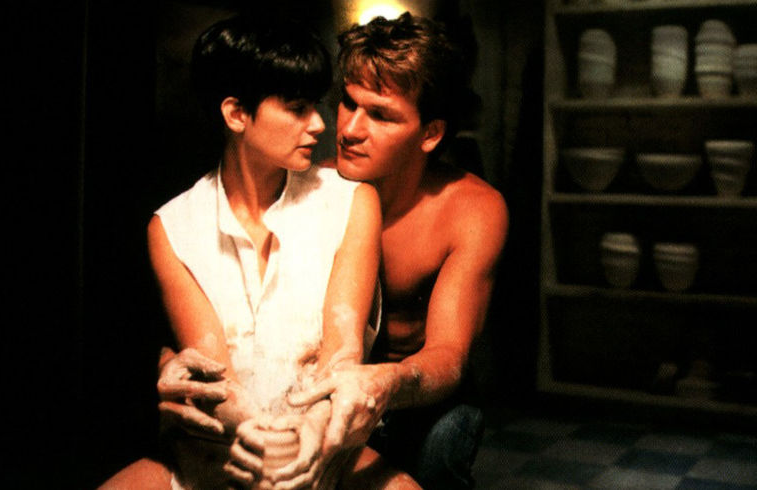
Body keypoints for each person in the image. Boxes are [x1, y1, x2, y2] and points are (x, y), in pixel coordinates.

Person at [161, 12, 507, 489]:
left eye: (380, 115)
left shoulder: (472, 209)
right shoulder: (316, 184)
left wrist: (384, 383)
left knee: (443, 447)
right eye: (347, 102)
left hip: (415, 391)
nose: (347, 129)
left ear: (430, 134)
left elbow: (449, 353)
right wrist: (168, 357)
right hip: (324, 385)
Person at [100, 13, 405, 489]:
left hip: (327, 443)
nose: (319, 124)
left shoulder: (351, 202)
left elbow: (341, 354)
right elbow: (215, 377)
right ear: (236, 114)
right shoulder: (173, 227)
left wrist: (310, 432)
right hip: (222, 453)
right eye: (297, 108)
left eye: (316, 106)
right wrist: (259, 437)